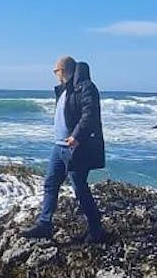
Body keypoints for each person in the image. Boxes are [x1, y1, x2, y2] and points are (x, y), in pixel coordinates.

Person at [21, 56, 107, 243]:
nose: (55, 75)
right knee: (51, 183)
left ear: (63, 70)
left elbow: (89, 114)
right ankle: (45, 225)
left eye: (55, 71)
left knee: (80, 189)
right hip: (59, 147)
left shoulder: (85, 87)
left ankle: (96, 229)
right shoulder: (65, 90)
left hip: (76, 148)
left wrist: (76, 136)